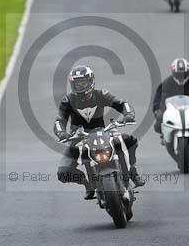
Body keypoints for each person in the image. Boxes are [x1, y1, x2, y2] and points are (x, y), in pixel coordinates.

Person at [55, 65, 145, 199]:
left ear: (91, 81)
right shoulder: (68, 101)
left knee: (130, 140)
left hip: (103, 131)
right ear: (72, 84)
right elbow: (59, 121)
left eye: (84, 82)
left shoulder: (101, 94)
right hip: (79, 137)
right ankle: (88, 184)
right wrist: (62, 133)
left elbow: (121, 104)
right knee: (63, 172)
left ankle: (132, 171)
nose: (81, 86)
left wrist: (129, 115)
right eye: (77, 83)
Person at [152, 58, 189, 149]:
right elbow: (160, 97)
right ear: (173, 72)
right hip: (172, 109)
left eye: (183, 73)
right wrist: (158, 109)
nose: (181, 76)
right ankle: (164, 135)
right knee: (158, 122)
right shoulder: (167, 83)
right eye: (178, 74)